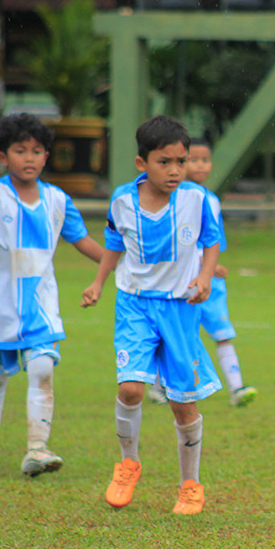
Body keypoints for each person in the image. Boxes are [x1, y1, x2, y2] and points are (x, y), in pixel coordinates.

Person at [0, 113, 104, 476]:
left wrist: (117, 266)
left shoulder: (57, 199)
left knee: (43, 368)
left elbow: (82, 240)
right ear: (3, 157)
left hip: (40, 304)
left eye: (36, 151)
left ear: (46, 156)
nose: (29, 158)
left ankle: (37, 448)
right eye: (20, 151)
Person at [81, 115, 222, 515]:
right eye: (165, 162)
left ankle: (190, 485)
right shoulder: (122, 200)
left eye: (181, 161)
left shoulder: (199, 200)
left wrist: (205, 276)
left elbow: (211, 242)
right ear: (142, 163)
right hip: (135, 303)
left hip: (180, 308)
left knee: (183, 402)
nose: (175, 170)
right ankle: (128, 464)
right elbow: (114, 243)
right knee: (130, 389)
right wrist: (98, 282)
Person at [147, 138, 257, 408]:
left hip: (210, 283)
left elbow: (213, 241)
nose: (199, 165)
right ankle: (158, 386)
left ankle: (237, 388)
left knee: (223, 333)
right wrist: (201, 262)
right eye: (192, 160)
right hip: (179, 282)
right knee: (173, 335)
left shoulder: (211, 200)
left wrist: (211, 265)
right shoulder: (169, 197)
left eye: (204, 160)